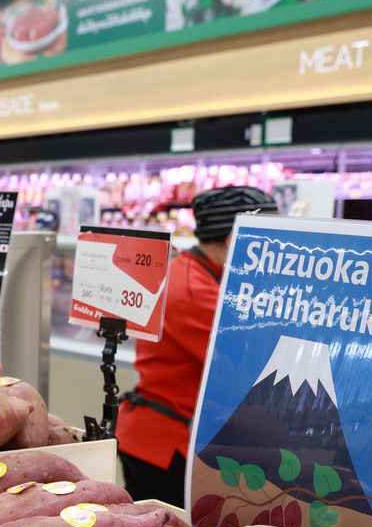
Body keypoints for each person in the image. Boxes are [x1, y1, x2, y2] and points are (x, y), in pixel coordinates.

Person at [116, 185, 276, 506]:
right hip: (166, 443)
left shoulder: (199, 272)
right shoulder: (195, 291)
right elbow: (254, 367)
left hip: (167, 434)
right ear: (234, 241)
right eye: (272, 243)